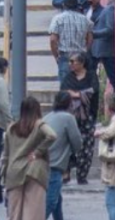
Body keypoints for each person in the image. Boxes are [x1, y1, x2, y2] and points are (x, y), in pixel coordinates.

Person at [1, 96, 56, 220]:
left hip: (13, 172)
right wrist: (38, 152)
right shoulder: (38, 124)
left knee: (14, 214)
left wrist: (4, 176)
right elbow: (52, 135)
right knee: (33, 213)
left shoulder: (12, 128)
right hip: (34, 171)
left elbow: (6, 155)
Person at [42, 92, 83, 220]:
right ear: (69, 104)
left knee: (57, 201)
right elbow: (77, 143)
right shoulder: (68, 118)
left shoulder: (46, 117)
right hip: (55, 165)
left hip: (42, 164)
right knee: (51, 201)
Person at [62, 53, 100, 185]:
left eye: (73, 61)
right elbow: (64, 92)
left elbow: (93, 91)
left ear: (81, 63)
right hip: (71, 117)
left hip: (88, 117)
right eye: (69, 61)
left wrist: (77, 94)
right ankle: (66, 173)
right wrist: (81, 94)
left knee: (87, 146)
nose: (70, 64)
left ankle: (82, 175)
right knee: (67, 144)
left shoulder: (91, 76)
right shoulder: (68, 78)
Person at [48, 0, 94, 84]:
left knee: (66, 87)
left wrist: (56, 55)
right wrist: (86, 50)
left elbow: (53, 39)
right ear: (77, 6)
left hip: (65, 56)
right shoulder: (85, 20)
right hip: (80, 56)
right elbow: (90, 38)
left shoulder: (58, 19)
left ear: (64, 5)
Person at [92, 0, 115, 89]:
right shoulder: (109, 8)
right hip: (102, 49)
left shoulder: (110, 9)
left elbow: (110, 29)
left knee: (113, 77)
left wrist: (93, 34)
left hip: (106, 50)